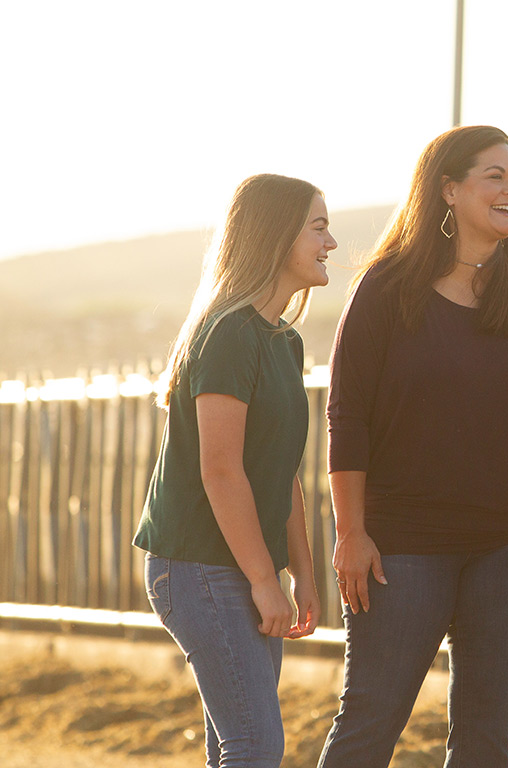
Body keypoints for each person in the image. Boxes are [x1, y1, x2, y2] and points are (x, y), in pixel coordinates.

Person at [317, 125, 508, 768]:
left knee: (486, 736)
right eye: (496, 176)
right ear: (448, 188)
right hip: (402, 546)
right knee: (370, 723)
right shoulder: (384, 289)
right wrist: (350, 531)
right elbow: (345, 417)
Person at [134, 173, 334, 767]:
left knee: (237, 746)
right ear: (276, 238)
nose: (330, 243)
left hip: (239, 566)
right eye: (318, 227)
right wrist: (264, 580)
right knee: (254, 745)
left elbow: (282, 471)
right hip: (197, 568)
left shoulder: (282, 341)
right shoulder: (227, 335)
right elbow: (221, 472)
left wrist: (303, 573)